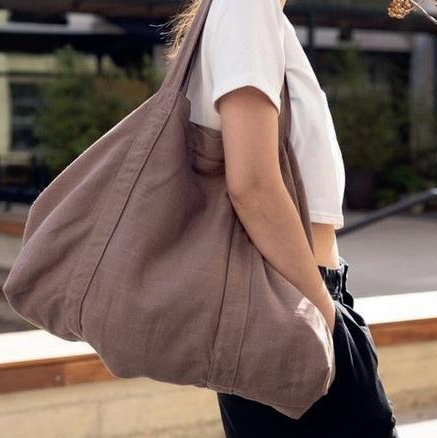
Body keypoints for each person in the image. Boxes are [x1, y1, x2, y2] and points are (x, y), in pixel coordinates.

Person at [165, 1, 399, 437]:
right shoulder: (246, 9)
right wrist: (328, 323)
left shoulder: (260, 15)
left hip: (297, 303)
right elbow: (252, 186)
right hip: (288, 309)